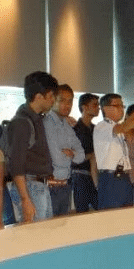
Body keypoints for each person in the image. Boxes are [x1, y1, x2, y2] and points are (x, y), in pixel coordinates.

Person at [6, 71, 57, 223]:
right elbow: (16, 165)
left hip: (39, 186)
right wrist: (25, 199)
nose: (53, 100)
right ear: (39, 96)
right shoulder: (22, 122)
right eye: (51, 96)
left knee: (45, 233)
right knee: (34, 234)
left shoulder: (37, 119)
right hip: (29, 187)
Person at [94, 93, 134, 209]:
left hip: (125, 177)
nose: (121, 109)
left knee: (127, 215)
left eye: (122, 106)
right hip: (111, 179)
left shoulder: (118, 128)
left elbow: (128, 128)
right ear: (105, 108)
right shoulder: (102, 126)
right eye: (117, 106)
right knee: (111, 215)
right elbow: (123, 128)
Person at [44, 84, 85, 216]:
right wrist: (73, 155)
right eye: (62, 100)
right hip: (50, 187)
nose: (67, 105)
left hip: (65, 185)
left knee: (63, 226)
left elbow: (81, 156)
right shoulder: (47, 123)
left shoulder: (67, 126)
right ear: (52, 100)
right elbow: (57, 159)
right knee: (50, 227)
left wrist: (71, 154)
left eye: (70, 101)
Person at [71, 92, 100, 213]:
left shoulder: (96, 129)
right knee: (82, 213)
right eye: (95, 105)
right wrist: (91, 156)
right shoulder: (74, 130)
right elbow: (71, 157)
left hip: (96, 174)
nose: (98, 108)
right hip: (79, 175)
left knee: (101, 208)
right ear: (84, 107)